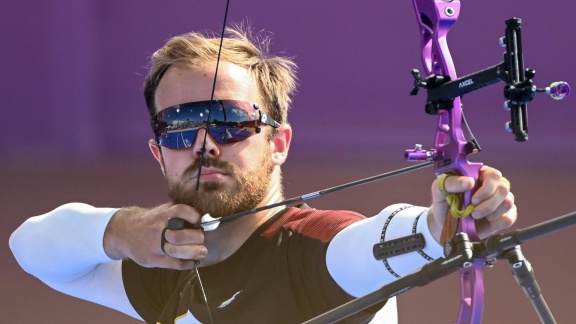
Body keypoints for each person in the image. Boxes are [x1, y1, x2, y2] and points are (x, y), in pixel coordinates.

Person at [9, 25, 516, 324]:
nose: (204, 143)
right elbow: (30, 247)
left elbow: (374, 245)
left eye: (229, 121)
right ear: (159, 152)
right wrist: (121, 231)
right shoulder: (168, 271)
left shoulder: (313, 251)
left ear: (277, 143)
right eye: (180, 127)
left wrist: (438, 225)